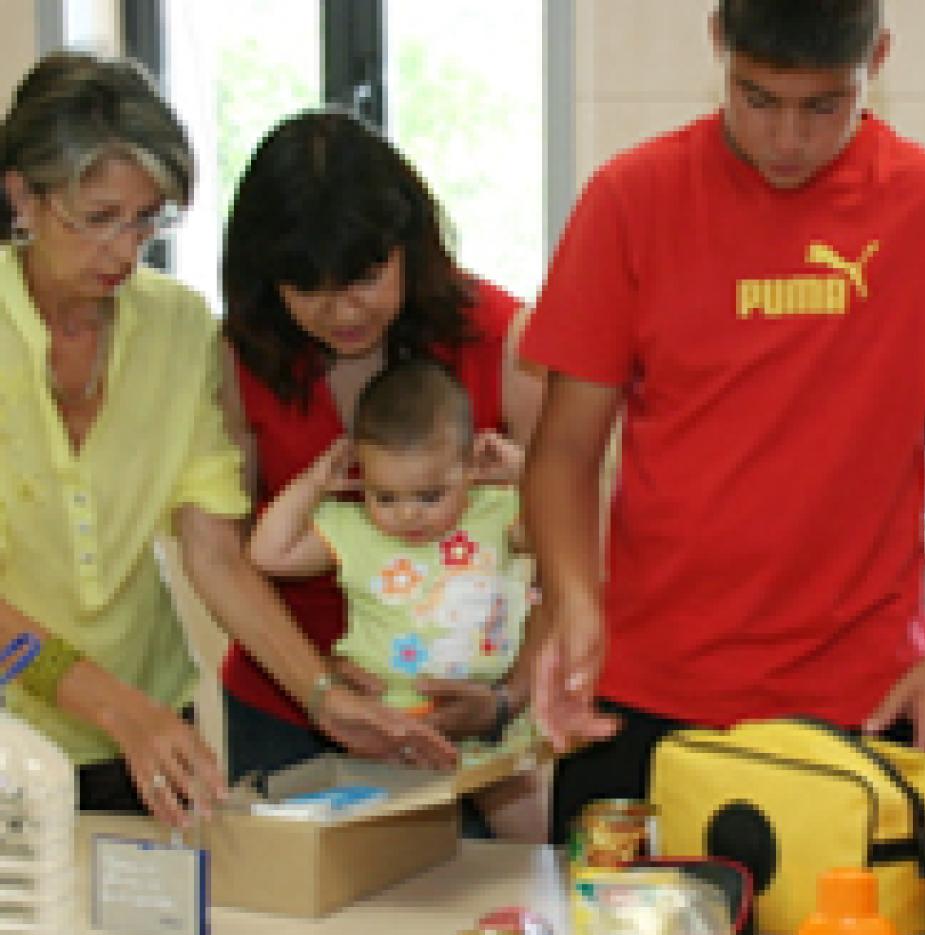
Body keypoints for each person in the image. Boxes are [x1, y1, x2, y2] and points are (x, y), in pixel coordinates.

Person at [521, 0, 925, 835]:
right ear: (719, 43)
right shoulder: (630, 199)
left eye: (824, 106)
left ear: (880, 60)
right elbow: (564, 451)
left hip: (863, 701)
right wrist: (575, 603)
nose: (787, 138)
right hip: (648, 697)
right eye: (757, 99)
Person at [0, 52, 448, 830]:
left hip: (145, 734)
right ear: (22, 198)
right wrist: (117, 709)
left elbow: (212, 547)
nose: (124, 250)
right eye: (98, 218)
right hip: (46, 728)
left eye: (148, 219)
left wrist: (322, 697)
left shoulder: (177, 330)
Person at [221, 108, 543, 785]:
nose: (342, 312)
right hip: (286, 700)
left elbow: (579, 545)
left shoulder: (501, 336)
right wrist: (319, 685)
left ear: (408, 246)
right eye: (308, 289)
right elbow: (225, 548)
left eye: (364, 279)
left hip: (466, 710)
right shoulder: (244, 354)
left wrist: (506, 696)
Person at [248, 359, 548, 841]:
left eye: (430, 496)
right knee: (400, 857)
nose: (407, 514)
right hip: (392, 728)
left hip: (491, 722)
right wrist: (311, 484)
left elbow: (563, 534)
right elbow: (268, 554)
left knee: (527, 844)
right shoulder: (352, 527)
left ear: (471, 466)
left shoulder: (496, 511)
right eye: (384, 496)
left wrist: (525, 472)